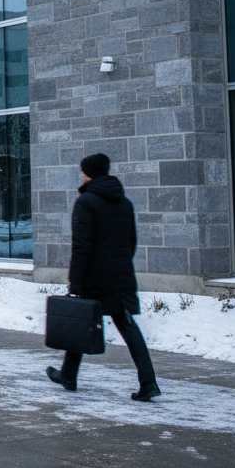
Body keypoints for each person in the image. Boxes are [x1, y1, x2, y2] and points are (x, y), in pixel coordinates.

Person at [46, 153, 161, 402]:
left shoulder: (86, 202)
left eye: (82, 171)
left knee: (80, 321)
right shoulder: (125, 203)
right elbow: (131, 242)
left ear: (88, 173)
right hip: (121, 279)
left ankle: (68, 375)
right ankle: (148, 383)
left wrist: (75, 283)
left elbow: (81, 246)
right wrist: (119, 266)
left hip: (94, 279)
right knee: (130, 330)